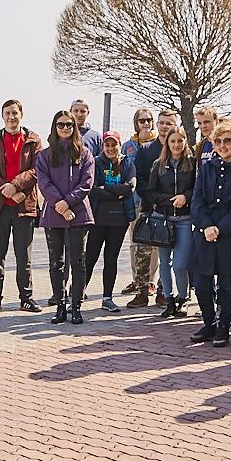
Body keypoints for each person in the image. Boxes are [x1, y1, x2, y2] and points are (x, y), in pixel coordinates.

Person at [189, 120, 231, 347]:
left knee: (227, 283)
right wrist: (207, 226)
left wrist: (220, 228)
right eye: (218, 141)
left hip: (230, 235)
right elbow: (197, 200)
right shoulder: (206, 168)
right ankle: (209, 323)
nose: (223, 145)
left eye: (227, 141)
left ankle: (224, 326)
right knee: (201, 281)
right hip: (205, 233)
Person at [0, 100, 43, 314]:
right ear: (2, 115)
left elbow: (36, 171)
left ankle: (26, 298)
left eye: (14, 113)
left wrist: (17, 189)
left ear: (21, 114)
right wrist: (5, 189)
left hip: (23, 204)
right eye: (7, 113)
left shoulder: (33, 141)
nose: (11, 117)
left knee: (23, 255)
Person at [37, 110, 95, 324]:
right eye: (61, 125)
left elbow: (86, 183)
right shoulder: (44, 155)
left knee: (78, 262)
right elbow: (44, 183)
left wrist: (68, 203)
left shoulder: (85, 154)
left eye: (69, 125)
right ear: (55, 126)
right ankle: (60, 306)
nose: (65, 128)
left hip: (79, 214)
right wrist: (60, 205)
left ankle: (76, 306)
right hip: (54, 214)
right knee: (56, 264)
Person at [144, 126, 197, 319]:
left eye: (179, 141)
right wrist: (170, 200)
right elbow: (150, 193)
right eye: (172, 141)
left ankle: (183, 298)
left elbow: (197, 188)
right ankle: (170, 300)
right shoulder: (159, 164)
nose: (176, 144)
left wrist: (186, 197)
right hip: (162, 220)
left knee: (180, 264)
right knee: (164, 263)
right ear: (167, 143)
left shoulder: (192, 163)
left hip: (184, 220)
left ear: (185, 142)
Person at [83, 131, 136, 312]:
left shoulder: (128, 163)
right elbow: (92, 189)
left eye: (114, 145)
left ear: (119, 145)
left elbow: (130, 187)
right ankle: (76, 294)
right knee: (90, 257)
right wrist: (116, 193)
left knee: (111, 259)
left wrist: (106, 187)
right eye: (107, 145)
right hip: (98, 218)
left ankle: (107, 298)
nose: (111, 148)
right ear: (103, 146)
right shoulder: (96, 163)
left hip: (119, 221)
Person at [124, 108, 169, 307]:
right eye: (162, 122)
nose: (165, 126)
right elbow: (139, 177)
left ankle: (162, 291)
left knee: (166, 252)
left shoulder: (179, 147)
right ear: (157, 125)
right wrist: (150, 197)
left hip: (170, 209)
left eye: (169, 123)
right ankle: (142, 292)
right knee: (142, 250)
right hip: (148, 206)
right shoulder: (145, 149)